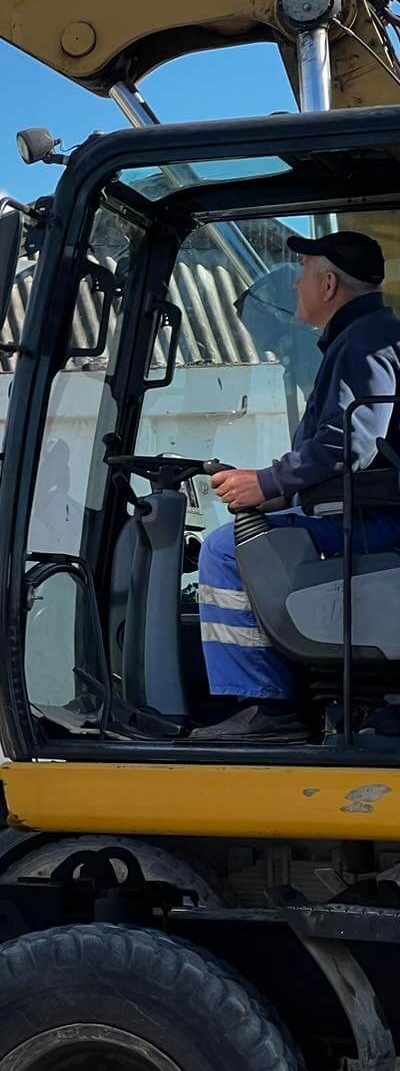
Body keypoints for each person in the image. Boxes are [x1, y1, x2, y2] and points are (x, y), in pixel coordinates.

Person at [192, 230, 400, 741]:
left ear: (328, 284)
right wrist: (286, 491)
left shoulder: (367, 341)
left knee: (226, 550)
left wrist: (267, 483)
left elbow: (348, 443)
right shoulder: (367, 336)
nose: (295, 289)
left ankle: (267, 708)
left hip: (378, 524)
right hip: (370, 512)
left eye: (303, 276)